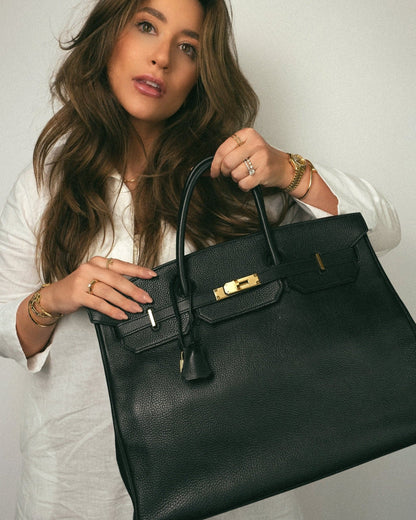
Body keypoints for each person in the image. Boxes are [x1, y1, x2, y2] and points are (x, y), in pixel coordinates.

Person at [0, 0, 400, 519]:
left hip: (236, 482)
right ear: (109, 36)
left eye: (187, 47)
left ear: (201, 73)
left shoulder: (230, 178)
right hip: (80, 488)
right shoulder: (44, 186)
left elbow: (379, 231)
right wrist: (56, 297)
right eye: (147, 26)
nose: (162, 57)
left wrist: (291, 169)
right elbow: (7, 331)